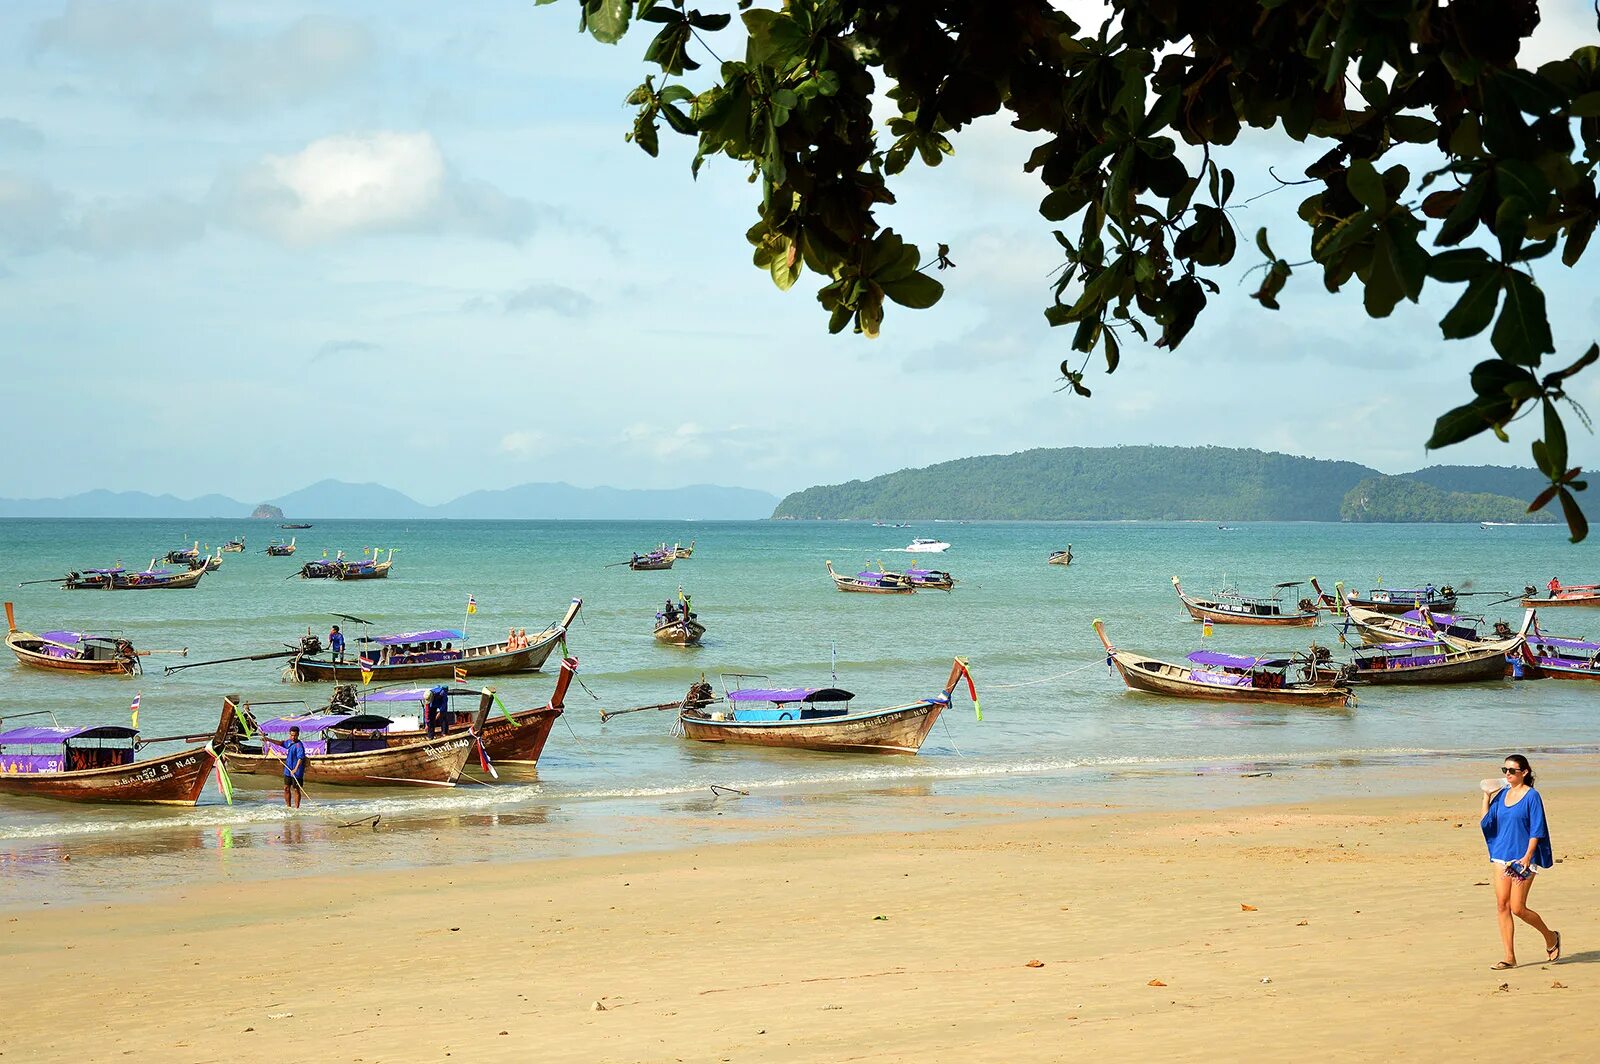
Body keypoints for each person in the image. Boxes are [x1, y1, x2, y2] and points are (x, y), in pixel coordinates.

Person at [1480, 754, 1559, 969]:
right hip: (1501, 856)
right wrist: (1487, 797)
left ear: (1524, 772)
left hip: (1522, 858)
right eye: (1504, 770)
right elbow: (1487, 822)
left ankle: (1550, 936)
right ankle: (1509, 957)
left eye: (1512, 770)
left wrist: (1527, 856)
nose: (1507, 774)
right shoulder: (1502, 795)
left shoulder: (1532, 796)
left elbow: (1537, 829)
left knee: (1518, 907)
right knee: (1502, 905)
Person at [282, 726, 307, 809]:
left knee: (296, 789)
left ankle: (297, 808)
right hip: (288, 770)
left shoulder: (299, 746)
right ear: (289, 734)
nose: (293, 737)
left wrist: (296, 769)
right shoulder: (289, 742)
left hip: (297, 771)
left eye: (295, 735)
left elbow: (300, 758)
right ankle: (288, 807)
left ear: (298, 735)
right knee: (286, 788)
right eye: (292, 735)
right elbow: (280, 743)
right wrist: (268, 739)